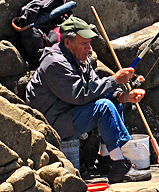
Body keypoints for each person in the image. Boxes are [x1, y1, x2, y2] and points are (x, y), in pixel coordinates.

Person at [25, 15, 150, 183]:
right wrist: (114, 80)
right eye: (84, 44)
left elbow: (96, 87)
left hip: (68, 113)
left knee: (113, 102)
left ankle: (107, 161)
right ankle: (120, 166)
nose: (88, 48)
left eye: (89, 43)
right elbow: (80, 95)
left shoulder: (79, 59)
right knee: (103, 108)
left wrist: (122, 96)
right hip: (51, 122)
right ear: (68, 43)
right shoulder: (55, 63)